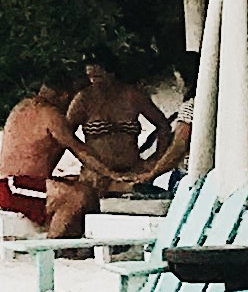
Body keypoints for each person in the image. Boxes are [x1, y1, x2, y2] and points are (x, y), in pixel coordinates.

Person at [66, 54, 187, 204]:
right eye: (90, 77)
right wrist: (89, 161)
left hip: (133, 169)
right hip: (97, 174)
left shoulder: (132, 96)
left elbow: (162, 125)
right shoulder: (83, 99)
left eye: (98, 76)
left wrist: (155, 159)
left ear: (111, 73)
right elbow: (67, 137)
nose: (94, 81)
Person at [0, 80, 98, 241]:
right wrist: (111, 172)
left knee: (85, 191)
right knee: (75, 196)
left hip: (24, 185)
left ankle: (79, 243)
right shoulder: (50, 114)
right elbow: (78, 149)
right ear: (64, 96)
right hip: (14, 186)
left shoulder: (24, 106)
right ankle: (50, 247)